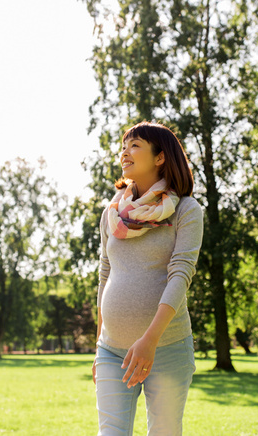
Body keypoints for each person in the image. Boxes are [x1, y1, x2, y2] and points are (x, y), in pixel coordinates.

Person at [92, 120, 204, 435]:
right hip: (111, 350)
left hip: (167, 346)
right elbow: (105, 274)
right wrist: (99, 344)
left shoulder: (186, 210)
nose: (125, 152)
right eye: (123, 146)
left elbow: (181, 275)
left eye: (135, 145)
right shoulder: (112, 214)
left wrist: (150, 340)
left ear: (160, 157)